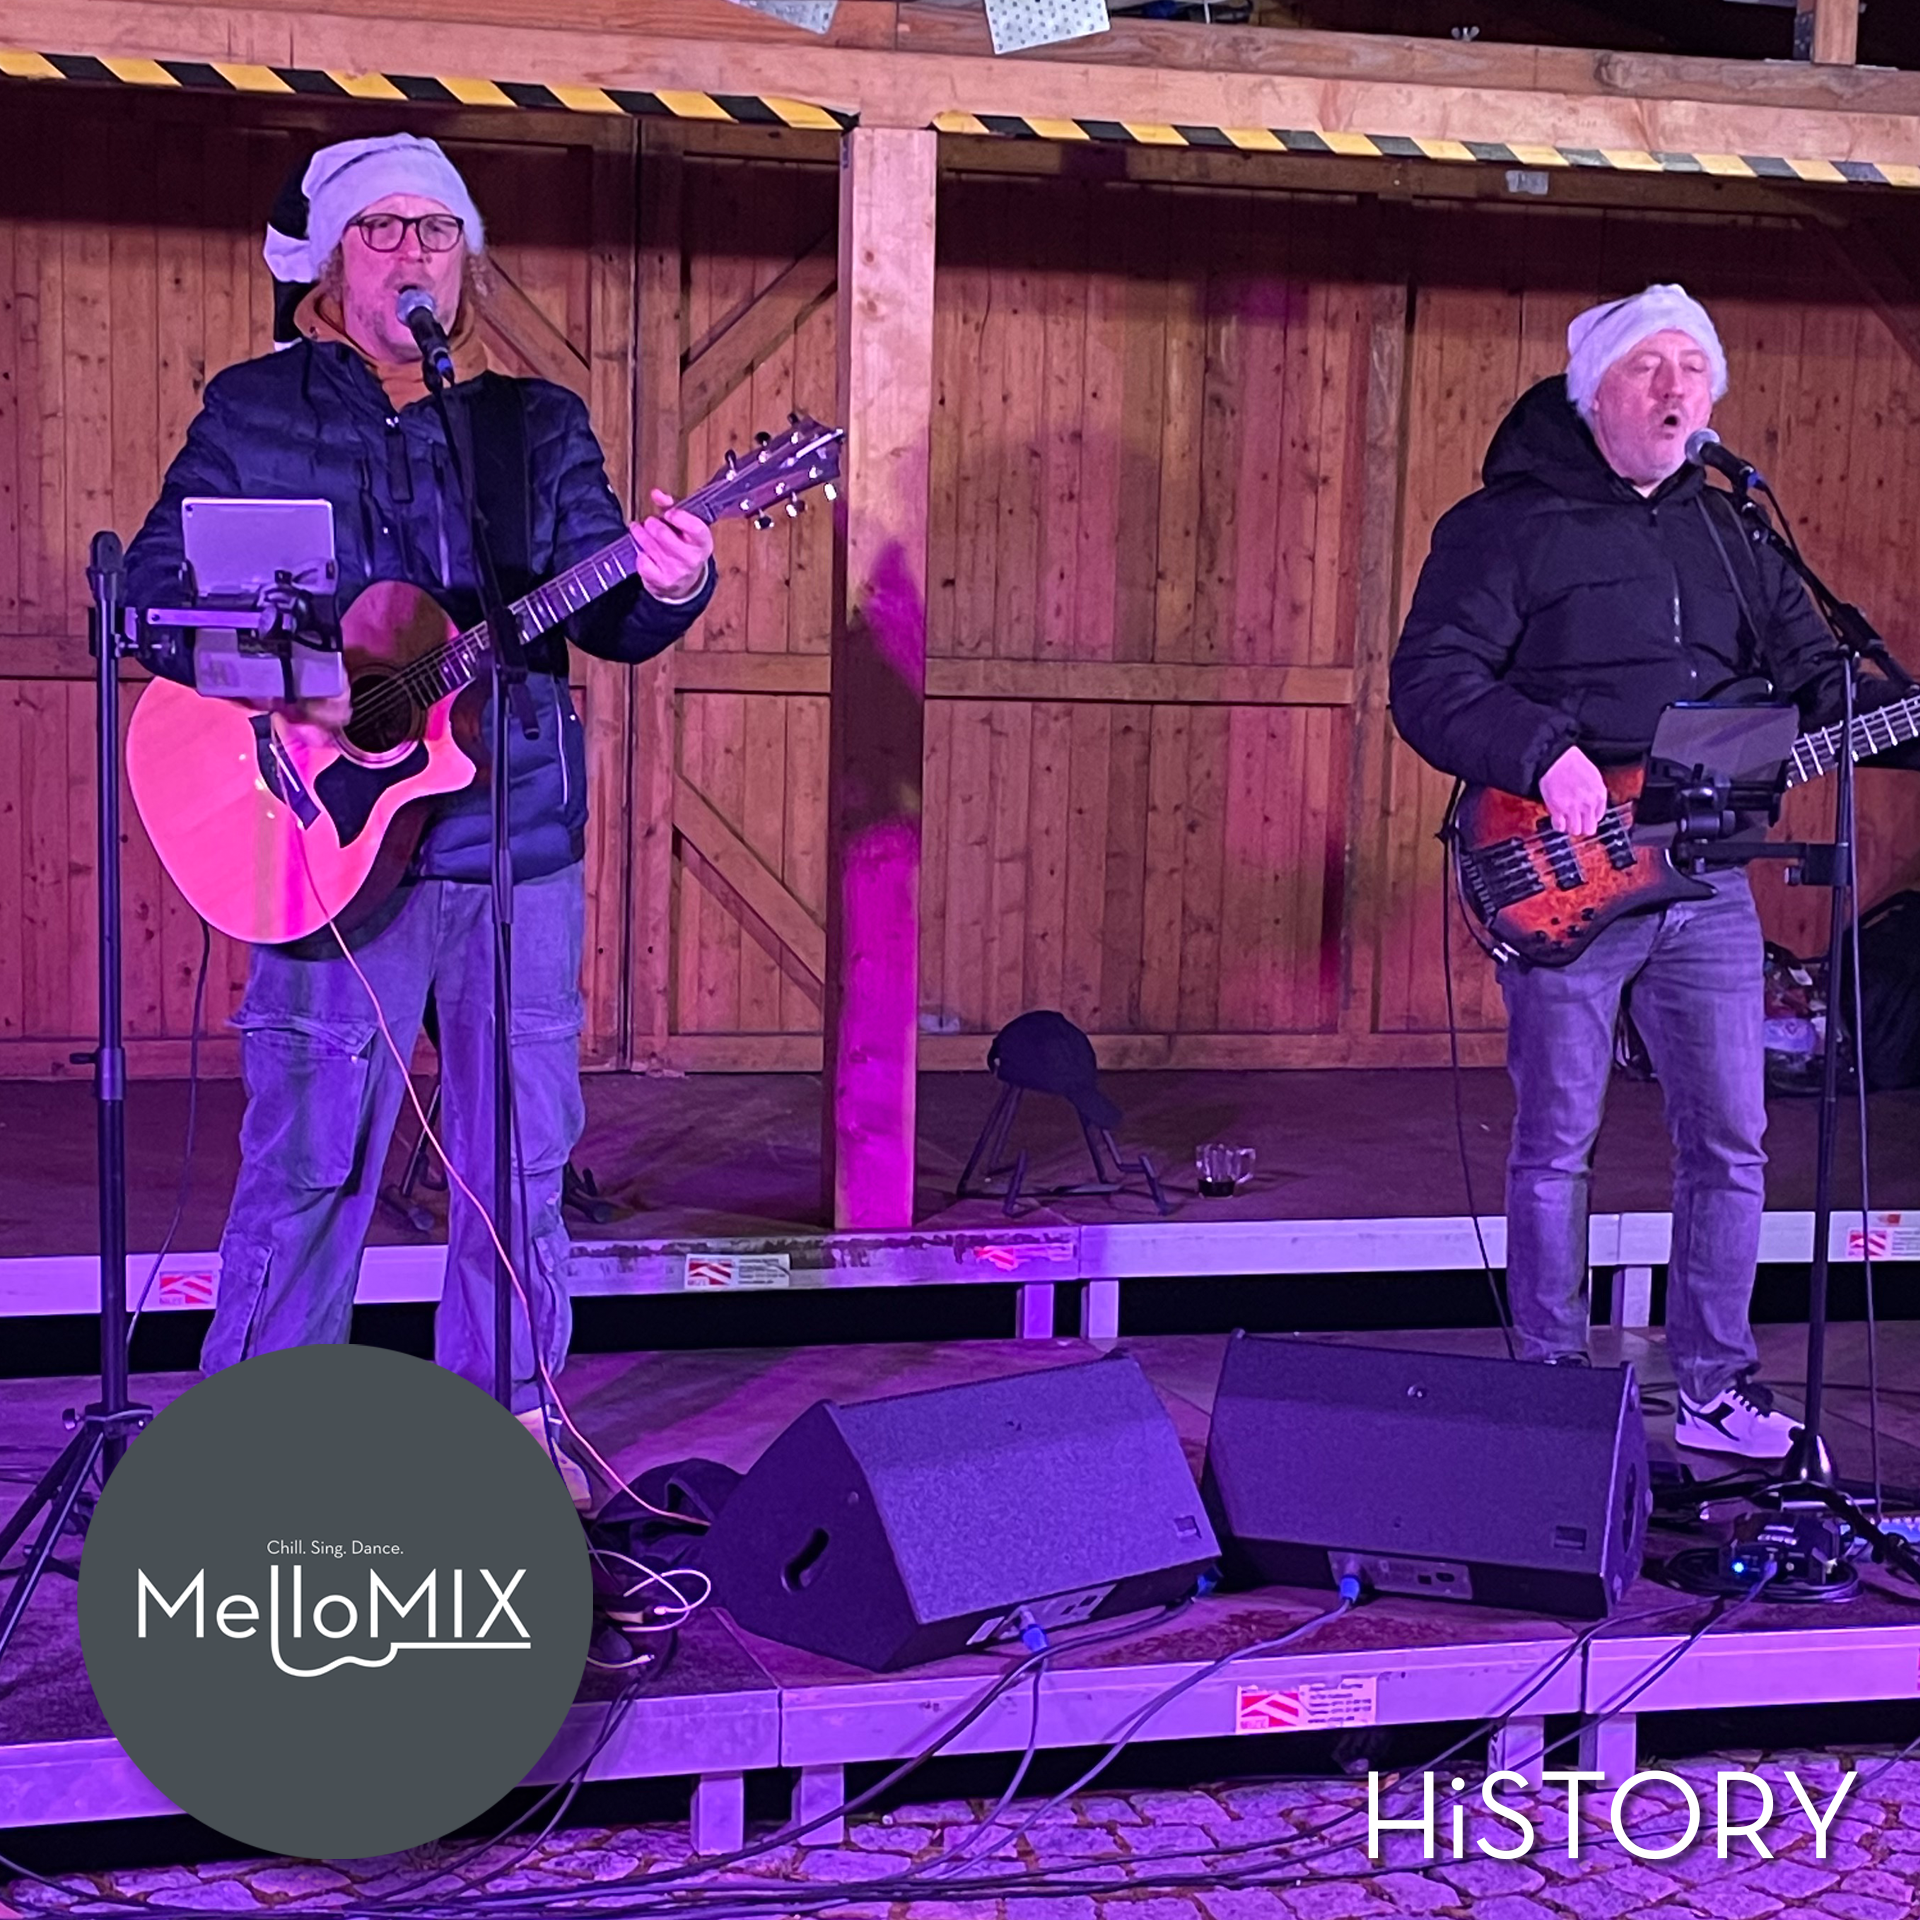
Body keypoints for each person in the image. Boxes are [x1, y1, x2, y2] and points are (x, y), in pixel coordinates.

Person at [126, 134, 716, 1503]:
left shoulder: (536, 423)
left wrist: (668, 582)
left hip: (512, 838)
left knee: (520, 1159)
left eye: (435, 231)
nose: (411, 253)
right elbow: (158, 590)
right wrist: (295, 686)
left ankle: (514, 1431)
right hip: (319, 833)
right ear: (333, 261)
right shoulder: (255, 409)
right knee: (314, 1155)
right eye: (381, 229)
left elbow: (605, 613)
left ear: (468, 263)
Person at [1390, 283, 1914, 1461]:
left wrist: (1901, 717)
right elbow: (1430, 681)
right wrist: (1543, 752)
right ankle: (1552, 1391)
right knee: (1556, 1143)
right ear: (1594, 393)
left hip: (1710, 874)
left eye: (1694, 367)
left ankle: (1717, 1390)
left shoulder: (1733, 530)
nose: (1678, 387)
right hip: (1559, 870)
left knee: (1730, 1139)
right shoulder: (1506, 525)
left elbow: (1820, 681)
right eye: (1649, 366)